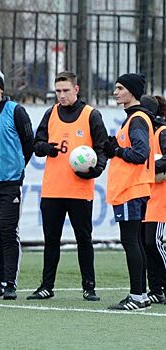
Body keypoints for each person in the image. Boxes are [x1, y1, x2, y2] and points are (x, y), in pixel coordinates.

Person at [29, 71, 108, 301]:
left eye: (65, 90)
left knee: (84, 239)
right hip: (53, 189)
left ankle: (89, 287)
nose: (61, 95)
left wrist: (97, 169)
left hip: (79, 190)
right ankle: (46, 286)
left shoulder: (91, 115)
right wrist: (46, 148)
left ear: (76, 89)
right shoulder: (50, 113)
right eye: (58, 91)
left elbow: (103, 148)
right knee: (51, 240)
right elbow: (37, 144)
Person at [0, 66, 34, 300]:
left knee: (8, 231)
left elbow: (28, 142)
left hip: (9, 183)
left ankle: (10, 282)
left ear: (1, 88)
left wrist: (18, 168)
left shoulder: (15, 111)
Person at [105, 73, 154, 311]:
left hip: (130, 189)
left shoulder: (136, 119)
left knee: (131, 242)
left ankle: (137, 295)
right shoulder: (133, 118)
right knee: (135, 242)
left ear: (132, 92)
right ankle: (140, 295)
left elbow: (139, 153)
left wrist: (116, 150)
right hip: (134, 188)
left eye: (120, 88)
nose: (115, 92)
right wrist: (113, 147)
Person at [139, 95, 166, 304]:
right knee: (147, 245)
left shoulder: (162, 133)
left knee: (154, 242)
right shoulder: (144, 134)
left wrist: (150, 169)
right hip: (146, 197)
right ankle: (156, 289)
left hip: (161, 198)